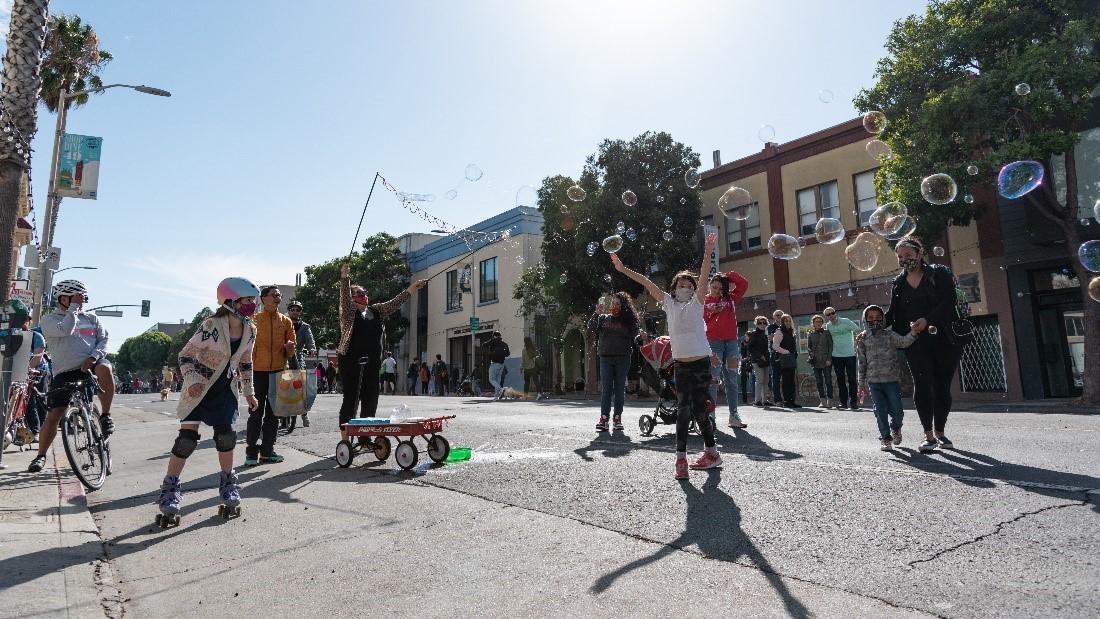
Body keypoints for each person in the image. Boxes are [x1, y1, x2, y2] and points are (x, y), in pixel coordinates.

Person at [611, 232, 722, 479]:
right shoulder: (668, 303)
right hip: (680, 365)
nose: (686, 287)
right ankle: (680, 459)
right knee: (683, 409)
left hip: (701, 364)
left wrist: (707, 252)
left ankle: (711, 453)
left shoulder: (697, 302)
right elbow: (645, 282)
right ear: (673, 288)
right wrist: (622, 268)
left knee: (700, 410)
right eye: (681, 284)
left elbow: (704, 275)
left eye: (689, 284)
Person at [157, 277, 258, 523]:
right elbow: (185, 355)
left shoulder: (251, 330)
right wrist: (191, 381)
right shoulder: (212, 325)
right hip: (199, 388)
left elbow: (245, 361)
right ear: (230, 301)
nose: (252, 306)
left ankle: (228, 485)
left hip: (224, 388)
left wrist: (249, 391)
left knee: (226, 437)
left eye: (253, 301)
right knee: (186, 440)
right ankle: (170, 490)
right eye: (247, 301)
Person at [28, 280, 116, 474]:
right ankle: (40, 455)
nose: (80, 302)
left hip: (91, 366)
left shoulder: (91, 319)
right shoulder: (50, 320)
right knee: (54, 415)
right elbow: (65, 329)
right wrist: (73, 309)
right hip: (65, 372)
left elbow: (104, 340)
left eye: (82, 299)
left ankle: (106, 415)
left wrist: (94, 357)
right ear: (62, 299)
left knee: (105, 370)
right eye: (75, 298)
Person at [884, 237, 963, 453]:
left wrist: (927, 320)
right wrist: (873, 326)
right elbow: (892, 313)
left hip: (944, 338)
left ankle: (940, 433)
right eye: (900, 257)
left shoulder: (940, 274)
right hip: (915, 341)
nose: (904, 260)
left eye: (908, 255)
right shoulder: (898, 283)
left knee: (942, 385)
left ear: (919, 254)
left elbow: (948, 302)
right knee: (922, 382)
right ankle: (928, 435)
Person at [335, 263, 425, 440]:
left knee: (371, 399)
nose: (364, 296)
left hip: (373, 361)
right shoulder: (348, 313)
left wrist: (412, 288)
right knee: (351, 400)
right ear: (353, 298)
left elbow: (395, 303)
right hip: (351, 361)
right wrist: (345, 278)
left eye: (365, 293)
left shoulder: (376, 311)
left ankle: (365, 436)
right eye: (359, 294)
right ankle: (345, 439)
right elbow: (344, 299)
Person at [857, 304, 923, 451]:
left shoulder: (890, 335)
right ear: (865, 320)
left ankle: (896, 428)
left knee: (897, 410)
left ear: (883, 319)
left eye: (878, 317)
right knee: (879, 410)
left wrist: (913, 332)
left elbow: (904, 342)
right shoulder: (863, 339)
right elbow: (862, 363)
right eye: (871, 318)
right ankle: (885, 438)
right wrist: (861, 383)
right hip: (873, 382)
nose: (875, 320)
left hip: (891, 380)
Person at [244, 285, 295, 465]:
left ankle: (267, 451)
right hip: (257, 372)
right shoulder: (253, 320)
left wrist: (289, 348)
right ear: (264, 298)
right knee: (255, 412)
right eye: (274, 294)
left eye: (279, 295)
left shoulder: (286, 321)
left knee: (274, 414)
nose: (277, 297)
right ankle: (251, 452)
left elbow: (291, 348)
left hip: (278, 372)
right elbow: (246, 347)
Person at [588, 292, 643, 431]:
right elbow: (591, 327)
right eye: (613, 303)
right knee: (607, 388)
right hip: (605, 358)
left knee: (619, 389)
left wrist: (640, 336)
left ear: (623, 306)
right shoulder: (603, 318)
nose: (614, 306)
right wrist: (596, 313)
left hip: (623, 358)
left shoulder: (628, 321)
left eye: (618, 303)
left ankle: (617, 418)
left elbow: (636, 335)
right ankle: (604, 418)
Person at [703, 270, 750, 429]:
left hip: (731, 344)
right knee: (713, 379)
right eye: (714, 287)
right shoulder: (704, 301)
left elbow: (743, 284)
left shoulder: (731, 298)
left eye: (720, 288)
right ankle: (710, 415)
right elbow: (700, 322)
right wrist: (711, 312)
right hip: (713, 343)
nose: (716, 291)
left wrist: (729, 276)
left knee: (731, 379)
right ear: (710, 286)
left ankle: (734, 415)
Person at [824, 306, 860, 411]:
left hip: (850, 355)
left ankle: (853, 402)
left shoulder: (846, 321)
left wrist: (857, 345)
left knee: (852, 379)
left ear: (836, 313)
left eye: (832, 313)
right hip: (836, 356)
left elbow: (858, 330)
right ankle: (843, 403)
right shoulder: (828, 325)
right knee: (840, 380)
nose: (831, 315)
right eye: (828, 314)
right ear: (826, 317)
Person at [287, 300, 316, 427]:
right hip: (283, 355)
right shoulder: (283, 323)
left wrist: (312, 349)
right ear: (289, 311)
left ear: (300, 312)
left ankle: (304, 414)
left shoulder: (305, 327)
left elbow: (310, 340)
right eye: (292, 309)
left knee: (301, 386)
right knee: (278, 383)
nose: (294, 311)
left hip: (298, 356)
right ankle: (278, 414)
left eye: (297, 309)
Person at [771, 313, 799, 408]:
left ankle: (792, 401)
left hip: (791, 359)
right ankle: (787, 401)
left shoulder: (791, 331)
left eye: (789, 320)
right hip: (784, 359)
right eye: (785, 321)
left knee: (792, 380)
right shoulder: (779, 332)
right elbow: (775, 346)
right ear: (782, 322)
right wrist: (786, 352)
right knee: (786, 381)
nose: (787, 322)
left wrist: (794, 353)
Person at [807, 314, 834, 408]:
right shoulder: (810, 334)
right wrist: (811, 354)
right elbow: (809, 347)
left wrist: (829, 359)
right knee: (819, 382)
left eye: (820, 321)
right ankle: (822, 401)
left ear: (822, 323)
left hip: (826, 361)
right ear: (813, 323)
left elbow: (830, 346)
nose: (818, 323)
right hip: (816, 361)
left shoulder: (826, 333)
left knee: (828, 381)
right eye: (816, 322)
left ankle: (830, 400)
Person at [745, 316, 773, 407]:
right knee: (760, 379)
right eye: (760, 323)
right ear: (756, 324)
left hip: (765, 360)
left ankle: (765, 400)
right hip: (757, 361)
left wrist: (766, 356)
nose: (762, 324)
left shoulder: (764, 336)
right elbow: (749, 348)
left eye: (764, 323)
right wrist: (760, 356)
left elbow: (765, 348)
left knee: (766, 380)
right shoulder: (754, 334)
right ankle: (757, 401)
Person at [485, 331, 511, 400]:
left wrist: (491, 341)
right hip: (502, 364)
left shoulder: (493, 341)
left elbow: (484, 345)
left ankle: (501, 389)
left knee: (491, 379)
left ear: (494, 336)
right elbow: (508, 354)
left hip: (494, 363)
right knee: (497, 381)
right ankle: (496, 397)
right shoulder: (504, 344)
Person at [766, 309, 784, 403]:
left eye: (781, 315)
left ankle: (788, 399)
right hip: (775, 354)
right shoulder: (771, 327)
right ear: (774, 317)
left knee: (786, 377)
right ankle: (777, 399)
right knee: (776, 377)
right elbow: (770, 338)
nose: (779, 317)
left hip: (785, 354)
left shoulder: (786, 325)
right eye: (777, 315)